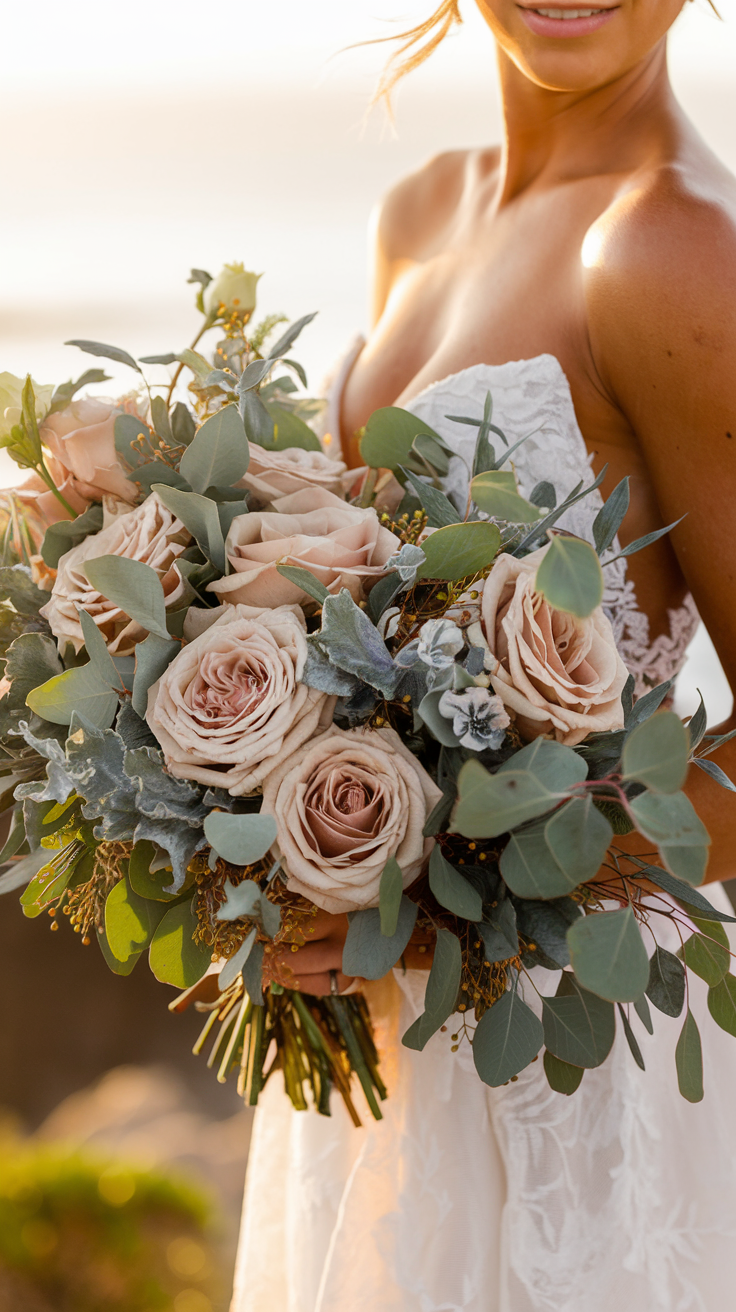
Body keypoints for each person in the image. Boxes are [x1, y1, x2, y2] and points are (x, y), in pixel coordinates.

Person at [231, 4, 736, 1308]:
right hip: (407, 1055)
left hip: (583, 1047)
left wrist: (435, 906)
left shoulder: (670, 249)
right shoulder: (419, 213)